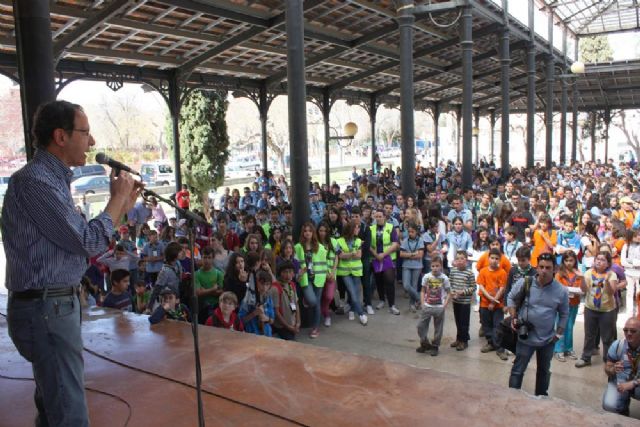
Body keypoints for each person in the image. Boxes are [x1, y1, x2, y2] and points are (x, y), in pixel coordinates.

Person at [3, 100, 138, 426]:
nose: (92, 143)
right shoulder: (36, 182)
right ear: (61, 136)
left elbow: (79, 245)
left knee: (54, 406)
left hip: (52, 306)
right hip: (46, 310)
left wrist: (120, 208)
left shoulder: (53, 181)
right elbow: (88, 242)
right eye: (86, 132)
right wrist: (116, 201)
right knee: (68, 413)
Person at [507, 253, 569, 396]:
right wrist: (514, 317)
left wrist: (558, 334)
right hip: (525, 338)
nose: (544, 271)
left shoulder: (561, 291)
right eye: (541, 267)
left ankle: (541, 398)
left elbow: (564, 314)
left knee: (543, 371)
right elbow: (510, 297)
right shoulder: (525, 282)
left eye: (548, 267)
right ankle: (511, 397)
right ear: (536, 267)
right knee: (518, 369)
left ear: (555, 269)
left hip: (547, 340)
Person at [602, 317, 640, 416]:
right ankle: (622, 411)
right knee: (609, 405)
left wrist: (633, 383)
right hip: (620, 383)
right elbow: (607, 368)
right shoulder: (617, 345)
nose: (628, 333)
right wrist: (613, 368)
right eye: (625, 330)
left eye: (633, 331)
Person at [477, 248, 509, 361]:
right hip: (484, 304)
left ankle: (500, 348)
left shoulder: (502, 272)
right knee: (486, 325)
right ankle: (491, 343)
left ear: (500, 260)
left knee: (498, 326)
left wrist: (494, 301)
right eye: (492, 258)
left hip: (498, 306)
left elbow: (502, 288)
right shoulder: (483, 271)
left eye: (497, 258)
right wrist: (489, 299)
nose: (494, 260)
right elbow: (481, 286)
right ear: (488, 258)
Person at [416, 256, 451, 356]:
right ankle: (424, 343)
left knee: (438, 328)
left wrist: (444, 305)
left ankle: (435, 346)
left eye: (437, 266)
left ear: (441, 266)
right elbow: (422, 291)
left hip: (439, 307)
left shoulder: (444, 278)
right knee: (420, 326)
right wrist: (423, 304)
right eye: (433, 266)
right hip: (427, 306)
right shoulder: (426, 277)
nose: (435, 268)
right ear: (430, 266)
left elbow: (449, 292)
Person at [448, 251, 477, 351]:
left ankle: (464, 341)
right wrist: (452, 292)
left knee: (464, 322)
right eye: (457, 259)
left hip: (465, 302)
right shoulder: (453, 271)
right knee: (458, 321)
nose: (459, 261)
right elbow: (449, 284)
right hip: (456, 301)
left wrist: (463, 292)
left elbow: (473, 287)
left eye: (462, 258)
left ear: (466, 260)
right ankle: (458, 339)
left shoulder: (469, 273)